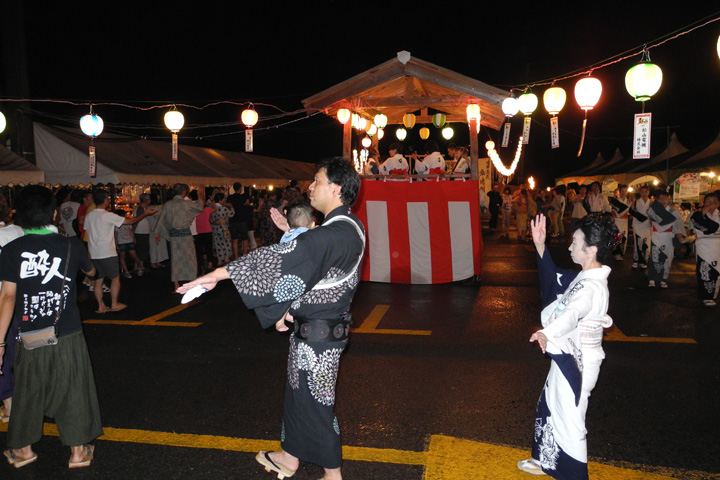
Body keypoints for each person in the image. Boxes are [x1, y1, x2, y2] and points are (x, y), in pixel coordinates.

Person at [177, 157, 364, 480]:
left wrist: (215, 276)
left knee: (315, 404)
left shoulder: (332, 235)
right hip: (318, 331)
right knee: (298, 398)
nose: (311, 186)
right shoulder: (348, 226)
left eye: (317, 181)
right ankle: (289, 457)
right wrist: (290, 309)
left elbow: (281, 259)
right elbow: (320, 271)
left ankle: (333, 476)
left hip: (318, 339)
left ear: (335, 189)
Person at [0, 185, 103, 469]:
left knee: (28, 391)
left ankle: (22, 451)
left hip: (29, 335)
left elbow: (7, 297)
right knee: (73, 388)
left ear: (20, 215)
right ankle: (78, 452)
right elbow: (91, 271)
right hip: (67, 332)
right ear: (54, 213)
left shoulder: (11, 250)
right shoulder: (71, 245)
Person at [517, 213, 617, 478]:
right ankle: (546, 459)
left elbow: (571, 313)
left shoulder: (590, 288)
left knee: (570, 420)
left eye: (575, 242)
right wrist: (540, 245)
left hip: (579, 362)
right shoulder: (584, 277)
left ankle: (573, 475)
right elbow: (556, 280)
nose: (570, 246)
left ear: (591, 250)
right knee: (551, 403)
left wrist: (547, 332)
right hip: (569, 354)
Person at [85, 190, 155, 313]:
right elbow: (130, 221)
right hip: (107, 252)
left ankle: (101, 306)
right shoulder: (108, 215)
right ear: (106, 200)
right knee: (115, 278)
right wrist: (145, 214)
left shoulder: (90, 215)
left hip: (94, 252)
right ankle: (114, 304)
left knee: (98, 280)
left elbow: (87, 231)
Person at [153, 183, 205, 291]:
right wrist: (201, 193)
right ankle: (191, 282)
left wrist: (157, 233)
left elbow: (161, 219)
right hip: (185, 235)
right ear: (184, 192)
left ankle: (176, 285)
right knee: (190, 259)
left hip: (174, 236)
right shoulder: (187, 204)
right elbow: (200, 207)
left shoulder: (168, 204)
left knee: (176, 259)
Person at [0, 193, 24, 424]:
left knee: (2, 357)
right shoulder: (17, 231)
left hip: (3, 302)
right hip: (22, 301)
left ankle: (10, 406)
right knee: (21, 353)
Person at [646, 191, 683, 288]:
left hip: (668, 237)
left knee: (667, 258)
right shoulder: (652, 211)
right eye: (660, 198)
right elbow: (657, 224)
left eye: (665, 198)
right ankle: (652, 279)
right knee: (655, 257)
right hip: (657, 236)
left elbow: (678, 224)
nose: (663, 200)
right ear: (656, 200)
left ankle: (663, 279)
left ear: (669, 198)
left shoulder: (673, 211)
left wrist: (679, 235)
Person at [690, 193, 720, 307]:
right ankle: (706, 296)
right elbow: (707, 228)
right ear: (704, 203)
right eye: (708, 201)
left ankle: (714, 294)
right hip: (704, 245)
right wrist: (705, 210)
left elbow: (711, 228)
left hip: (718, 245)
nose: (711, 203)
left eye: (713, 201)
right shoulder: (697, 215)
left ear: (718, 203)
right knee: (705, 271)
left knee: (717, 272)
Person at [115, 211, 145, 278]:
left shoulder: (128, 222)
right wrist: (116, 243)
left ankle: (140, 267)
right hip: (122, 241)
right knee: (123, 256)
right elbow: (116, 234)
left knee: (133, 255)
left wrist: (133, 238)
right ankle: (127, 271)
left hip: (128, 240)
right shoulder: (118, 223)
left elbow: (130, 231)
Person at [630, 185, 652, 269]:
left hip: (647, 225)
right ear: (640, 193)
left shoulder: (651, 202)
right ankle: (636, 260)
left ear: (648, 192)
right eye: (642, 192)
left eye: (646, 192)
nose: (644, 194)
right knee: (638, 242)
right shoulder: (636, 202)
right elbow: (632, 211)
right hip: (637, 225)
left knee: (646, 243)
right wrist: (632, 201)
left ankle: (644, 261)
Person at [210, 192, 234, 266]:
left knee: (217, 243)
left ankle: (220, 260)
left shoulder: (212, 208)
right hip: (223, 228)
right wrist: (231, 207)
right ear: (221, 200)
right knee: (226, 243)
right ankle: (226, 258)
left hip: (214, 228)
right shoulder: (223, 209)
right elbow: (231, 214)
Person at [226, 183, 248, 261]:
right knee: (244, 239)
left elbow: (228, 205)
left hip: (233, 220)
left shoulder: (230, 197)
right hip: (242, 220)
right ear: (240, 188)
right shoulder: (243, 197)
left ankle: (236, 256)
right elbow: (246, 204)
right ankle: (244, 254)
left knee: (234, 239)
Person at [146, 193, 169, 268]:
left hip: (155, 229)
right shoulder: (153, 208)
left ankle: (157, 261)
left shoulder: (152, 208)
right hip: (155, 229)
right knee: (155, 246)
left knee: (157, 246)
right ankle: (154, 262)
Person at [609, 184, 631, 260]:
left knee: (624, 237)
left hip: (625, 221)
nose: (623, 192)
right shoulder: (616, 200)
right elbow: (613, 210)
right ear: (619, 191)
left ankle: (621, 253)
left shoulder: (628, 201)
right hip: (617, 221)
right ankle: (617, 254)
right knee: (618, 237)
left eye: (625, 191)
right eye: (622, 191)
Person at [132, 193, 153, 270]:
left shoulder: (143, 208)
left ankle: (138, 265)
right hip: (140, 232)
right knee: (141, 249)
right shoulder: (140, 209)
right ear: (147, 200)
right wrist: (133, 231)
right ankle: (140, 266)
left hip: (142, 232)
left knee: (141, 249)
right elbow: (137, 220)